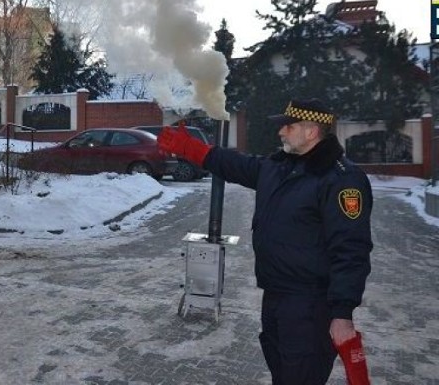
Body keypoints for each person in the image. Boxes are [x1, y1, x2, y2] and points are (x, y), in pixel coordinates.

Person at [158, 99, 373, 385]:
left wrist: (342, 313)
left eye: (288, 126)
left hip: (310, 306)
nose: (281, 132)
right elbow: (237, 165)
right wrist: (194, 149)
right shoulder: (280, 166)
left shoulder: (341, 180)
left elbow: (351, 250)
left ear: (311, 132)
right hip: (275, 297)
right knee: (282, 372)